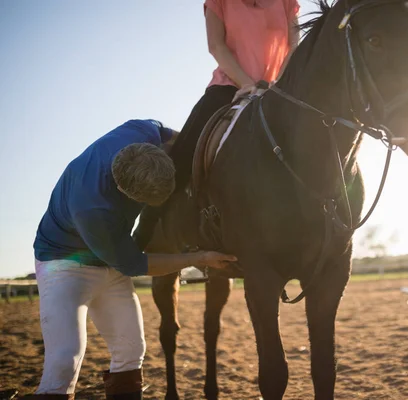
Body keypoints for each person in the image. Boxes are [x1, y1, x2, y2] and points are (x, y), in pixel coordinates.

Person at [24, 119, 237, 400]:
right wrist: (200, 257)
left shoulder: (141, 130)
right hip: (65, 265)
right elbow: (135, 264)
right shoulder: (94, 208)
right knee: (65, 359)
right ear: (125, 193)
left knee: (131, 350)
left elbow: (177, 138)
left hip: (110, 263)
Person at [133, 0, 300, 248]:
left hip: (277, 92)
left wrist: (275, 86)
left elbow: (294, 46)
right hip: (229, 87)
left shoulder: (287, 3)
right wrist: (250, 85)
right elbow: (216, 46)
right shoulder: (219, 2)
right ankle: (143, 235)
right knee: (180, 158)